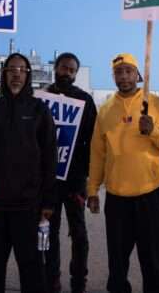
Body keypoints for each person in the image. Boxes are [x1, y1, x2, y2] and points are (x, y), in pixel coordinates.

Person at [87, 53, 159, 293]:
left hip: (149, 195)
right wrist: (92, 189)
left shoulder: (155, 104)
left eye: (128, 71)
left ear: (138, 75)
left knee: (154, 262)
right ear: (113, 76)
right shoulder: (105, 110)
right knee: (117, 264)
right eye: (119, 72)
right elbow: (97, 154)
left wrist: (155, 132)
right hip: (116, 199)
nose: (124, 76)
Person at [0, 53, 57, 293]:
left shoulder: (39, 110)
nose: (16, 73)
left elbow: (50, 157)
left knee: (31, 270)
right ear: (4, 74)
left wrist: (48, 200)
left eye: (21, 69)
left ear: (28, 75)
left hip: (27, 205)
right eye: (11, 69)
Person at [44, 52, 98, 293]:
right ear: (55, 68)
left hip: (75, 180)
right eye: (64, 68)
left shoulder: (85, 100)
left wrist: (86, 177)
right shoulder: (41, 99)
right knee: (48, 233)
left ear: (76, 74)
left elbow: (93, 141)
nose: (67, 72)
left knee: (79, 235)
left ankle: (79, 282)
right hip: (48, 182)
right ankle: (51, 280)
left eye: (72, 70)